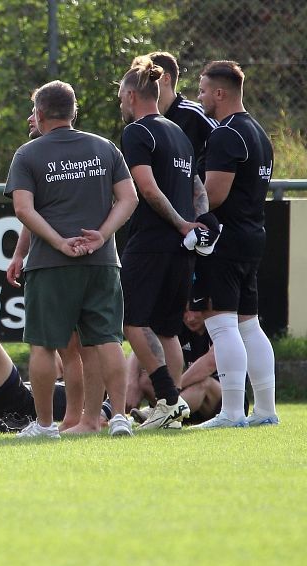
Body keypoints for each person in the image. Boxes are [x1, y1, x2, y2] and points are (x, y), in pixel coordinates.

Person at [5, 80, 138, 439]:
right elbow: (129, 198)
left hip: (51, 265)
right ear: (73, 112)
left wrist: (59, 243)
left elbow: (24, 210)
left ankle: (45, 425)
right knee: (107, 340)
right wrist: (102, 235)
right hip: (101, 261)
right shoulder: (105, 147)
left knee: (44, 345)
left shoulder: (28, 154)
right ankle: (119, 417)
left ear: (39, 114)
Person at [117, 56, 209, 430]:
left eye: (120, 97)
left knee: (132, 321)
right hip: (182, 248)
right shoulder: (179, 133)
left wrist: (181, 223)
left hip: (152, 242)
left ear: (132, 95)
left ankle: (169, 399)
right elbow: (198, 189)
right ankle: (170, 411)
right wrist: (198, 225)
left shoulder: (137, 132)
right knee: (167, 329)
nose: (120, 103)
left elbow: (147, 188)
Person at [190, 60, 278, 428]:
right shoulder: (258, 132)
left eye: (203, 91)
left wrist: (186, 214)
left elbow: (214, 194)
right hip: (252, 235)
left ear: (220, 93)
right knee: (248, 325)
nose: (199, 97)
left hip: (225, 241)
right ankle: (265, 411)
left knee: (222, 324)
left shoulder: (227, 134)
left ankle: (231, 412)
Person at [148, 51, 218, 179]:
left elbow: (225, 144)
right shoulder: (146, 122)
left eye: (150, 77)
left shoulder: (195, 114)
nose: (143, 84)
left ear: (165, 79)